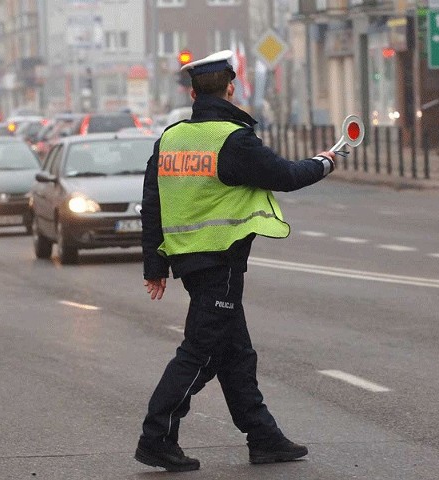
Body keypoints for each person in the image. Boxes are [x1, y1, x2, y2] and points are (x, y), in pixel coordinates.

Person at [135, 50, 337, 472]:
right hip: (220, 263)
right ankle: (156, 437)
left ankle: (264, 438)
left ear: (192, 92)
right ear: (231, 88)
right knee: (200, 353)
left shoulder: (170, 138)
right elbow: (285, 176)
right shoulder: (232, 139)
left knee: (236, 354)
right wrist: (325, 162)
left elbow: (151, 203)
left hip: (189, 262)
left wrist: (155, 265)